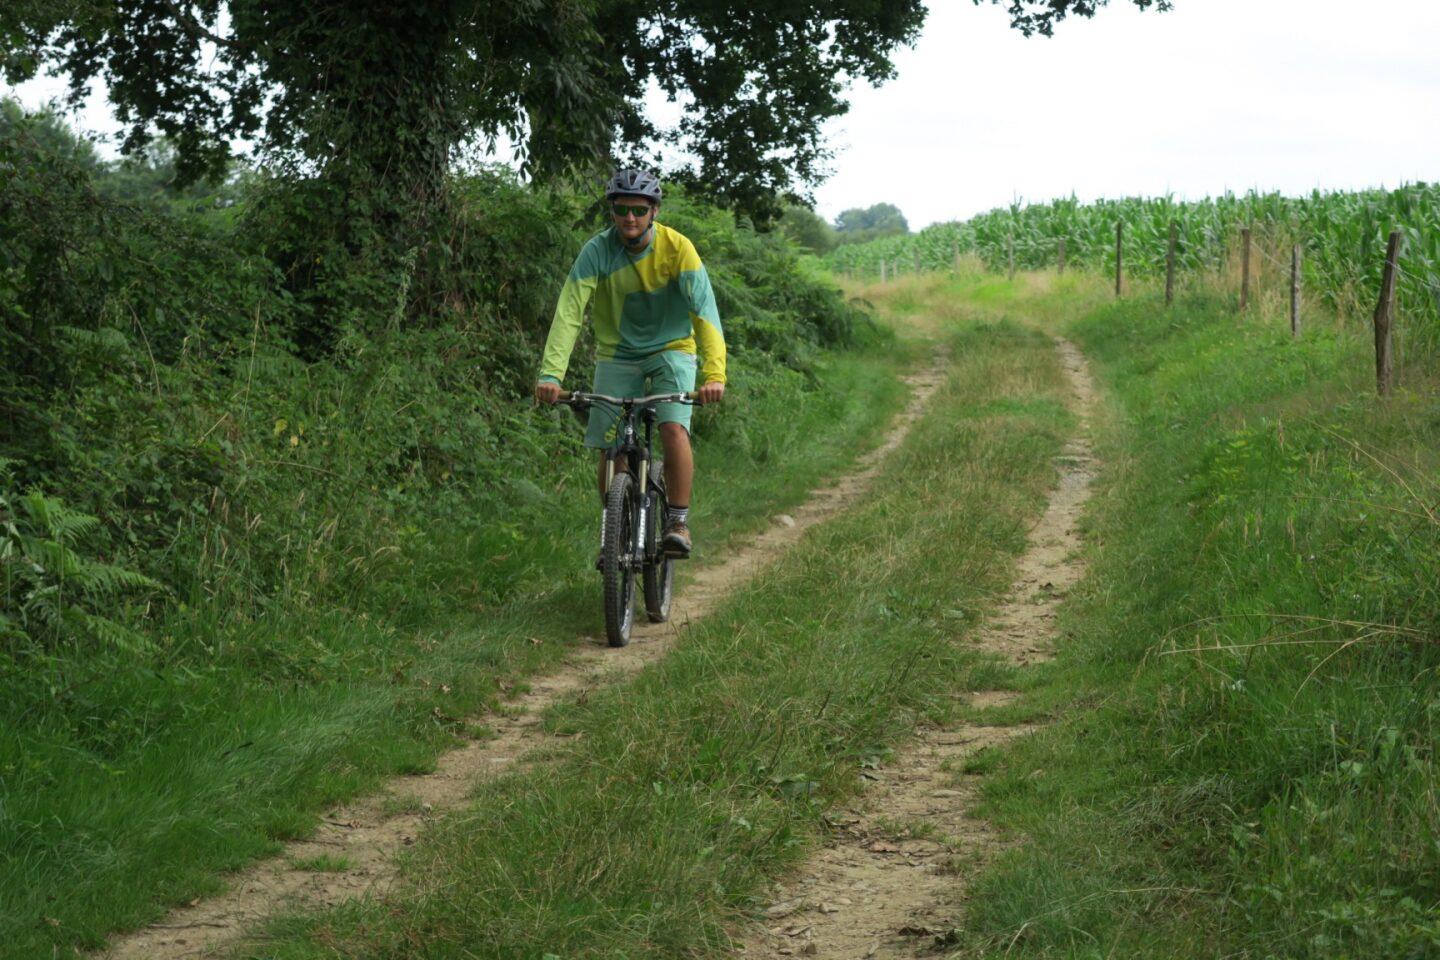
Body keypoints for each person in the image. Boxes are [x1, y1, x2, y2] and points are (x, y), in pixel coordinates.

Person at [534, 168, 726, 556]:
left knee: (673, 429)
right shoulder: (598, 251)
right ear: (613, 212)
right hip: (618, 354)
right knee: (611, 446)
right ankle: (615, 525)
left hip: (671, 349)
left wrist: (713, 374)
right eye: (622, 209)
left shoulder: (677, 248)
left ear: (654, 210)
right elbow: (570, 312)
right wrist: (552, 374)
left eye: (639, 209)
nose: (630, 218)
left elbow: (705, 313)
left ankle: (677, 520)